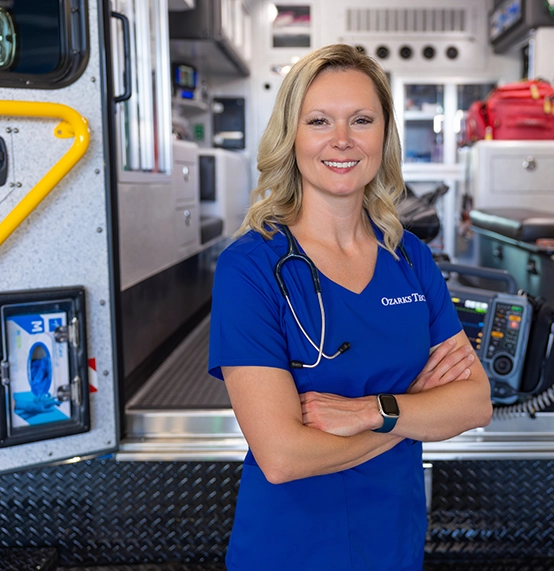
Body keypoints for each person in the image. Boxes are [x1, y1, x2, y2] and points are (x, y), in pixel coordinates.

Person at [208, 43, 492, 571]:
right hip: (291, 547)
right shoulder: (250, 268)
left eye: (361, 119)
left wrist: (370, 412)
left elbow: (474, 404)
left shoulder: (409, 257)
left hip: (395, 535)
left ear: (384, 135)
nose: (341, 140)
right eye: (319, 121)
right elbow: (284, 457)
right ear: (291, 137)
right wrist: (413, 410)